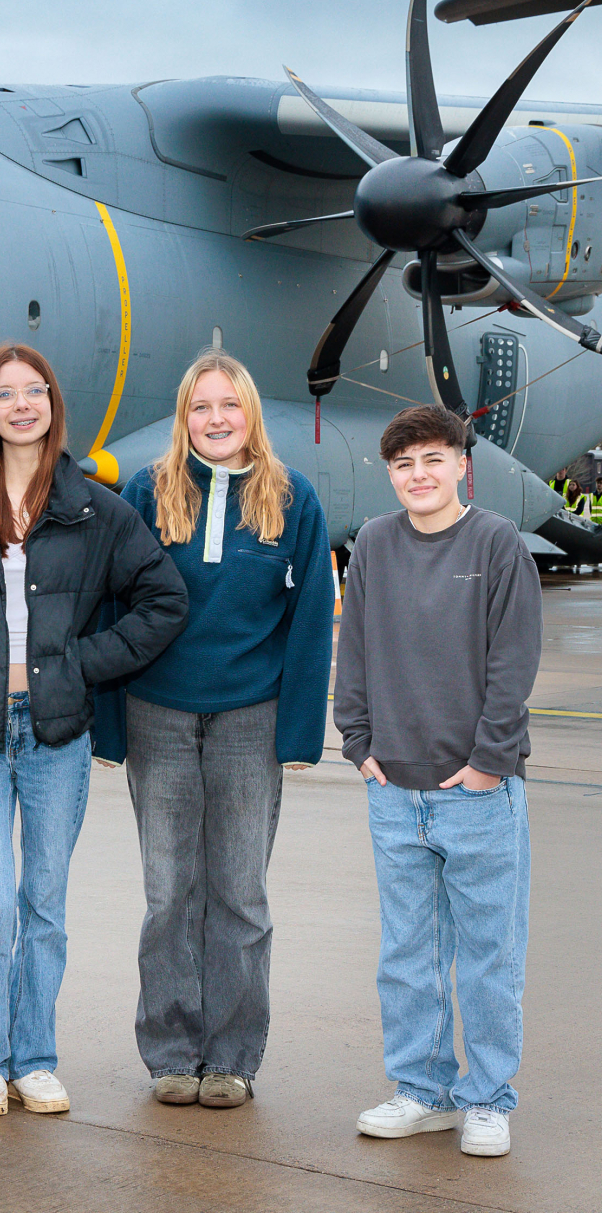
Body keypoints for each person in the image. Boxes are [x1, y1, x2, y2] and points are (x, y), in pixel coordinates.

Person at [0, 343, 188, 1117]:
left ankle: (34, 1059)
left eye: (35, 392)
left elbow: (163, 598)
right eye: (5, 394)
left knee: (45, 903)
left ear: (54, 405)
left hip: (56, 734)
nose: (21, 404)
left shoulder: (95, 508)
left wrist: (79, 663)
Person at [96, 348, 333, 1110]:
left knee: (239, 894)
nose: (217, 419)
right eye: (202, 407)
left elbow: (309, 628)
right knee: (169, 893)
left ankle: (231, 1056)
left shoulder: (293, 501)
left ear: (251, 413)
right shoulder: (146, 491)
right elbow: (112, 607)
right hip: (157, 713)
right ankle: (171, 1050)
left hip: (249, 719)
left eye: (230, 405)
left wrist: (298, 735)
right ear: (183, 417)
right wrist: (109, 726)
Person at [337, 405, 539, 1159]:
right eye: (403, 465)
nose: (417, 476)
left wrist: (488, 764)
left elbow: (512, 664)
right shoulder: (377, 544)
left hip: (476, 792)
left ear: (462, 465)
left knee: (489, 955)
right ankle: (422, 1090)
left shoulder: (495, 543)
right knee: (408, 954)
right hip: (394, 789)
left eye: (431, 460)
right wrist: (359, 745)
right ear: (389, 474)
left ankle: (487, 1099)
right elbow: (351, 649)